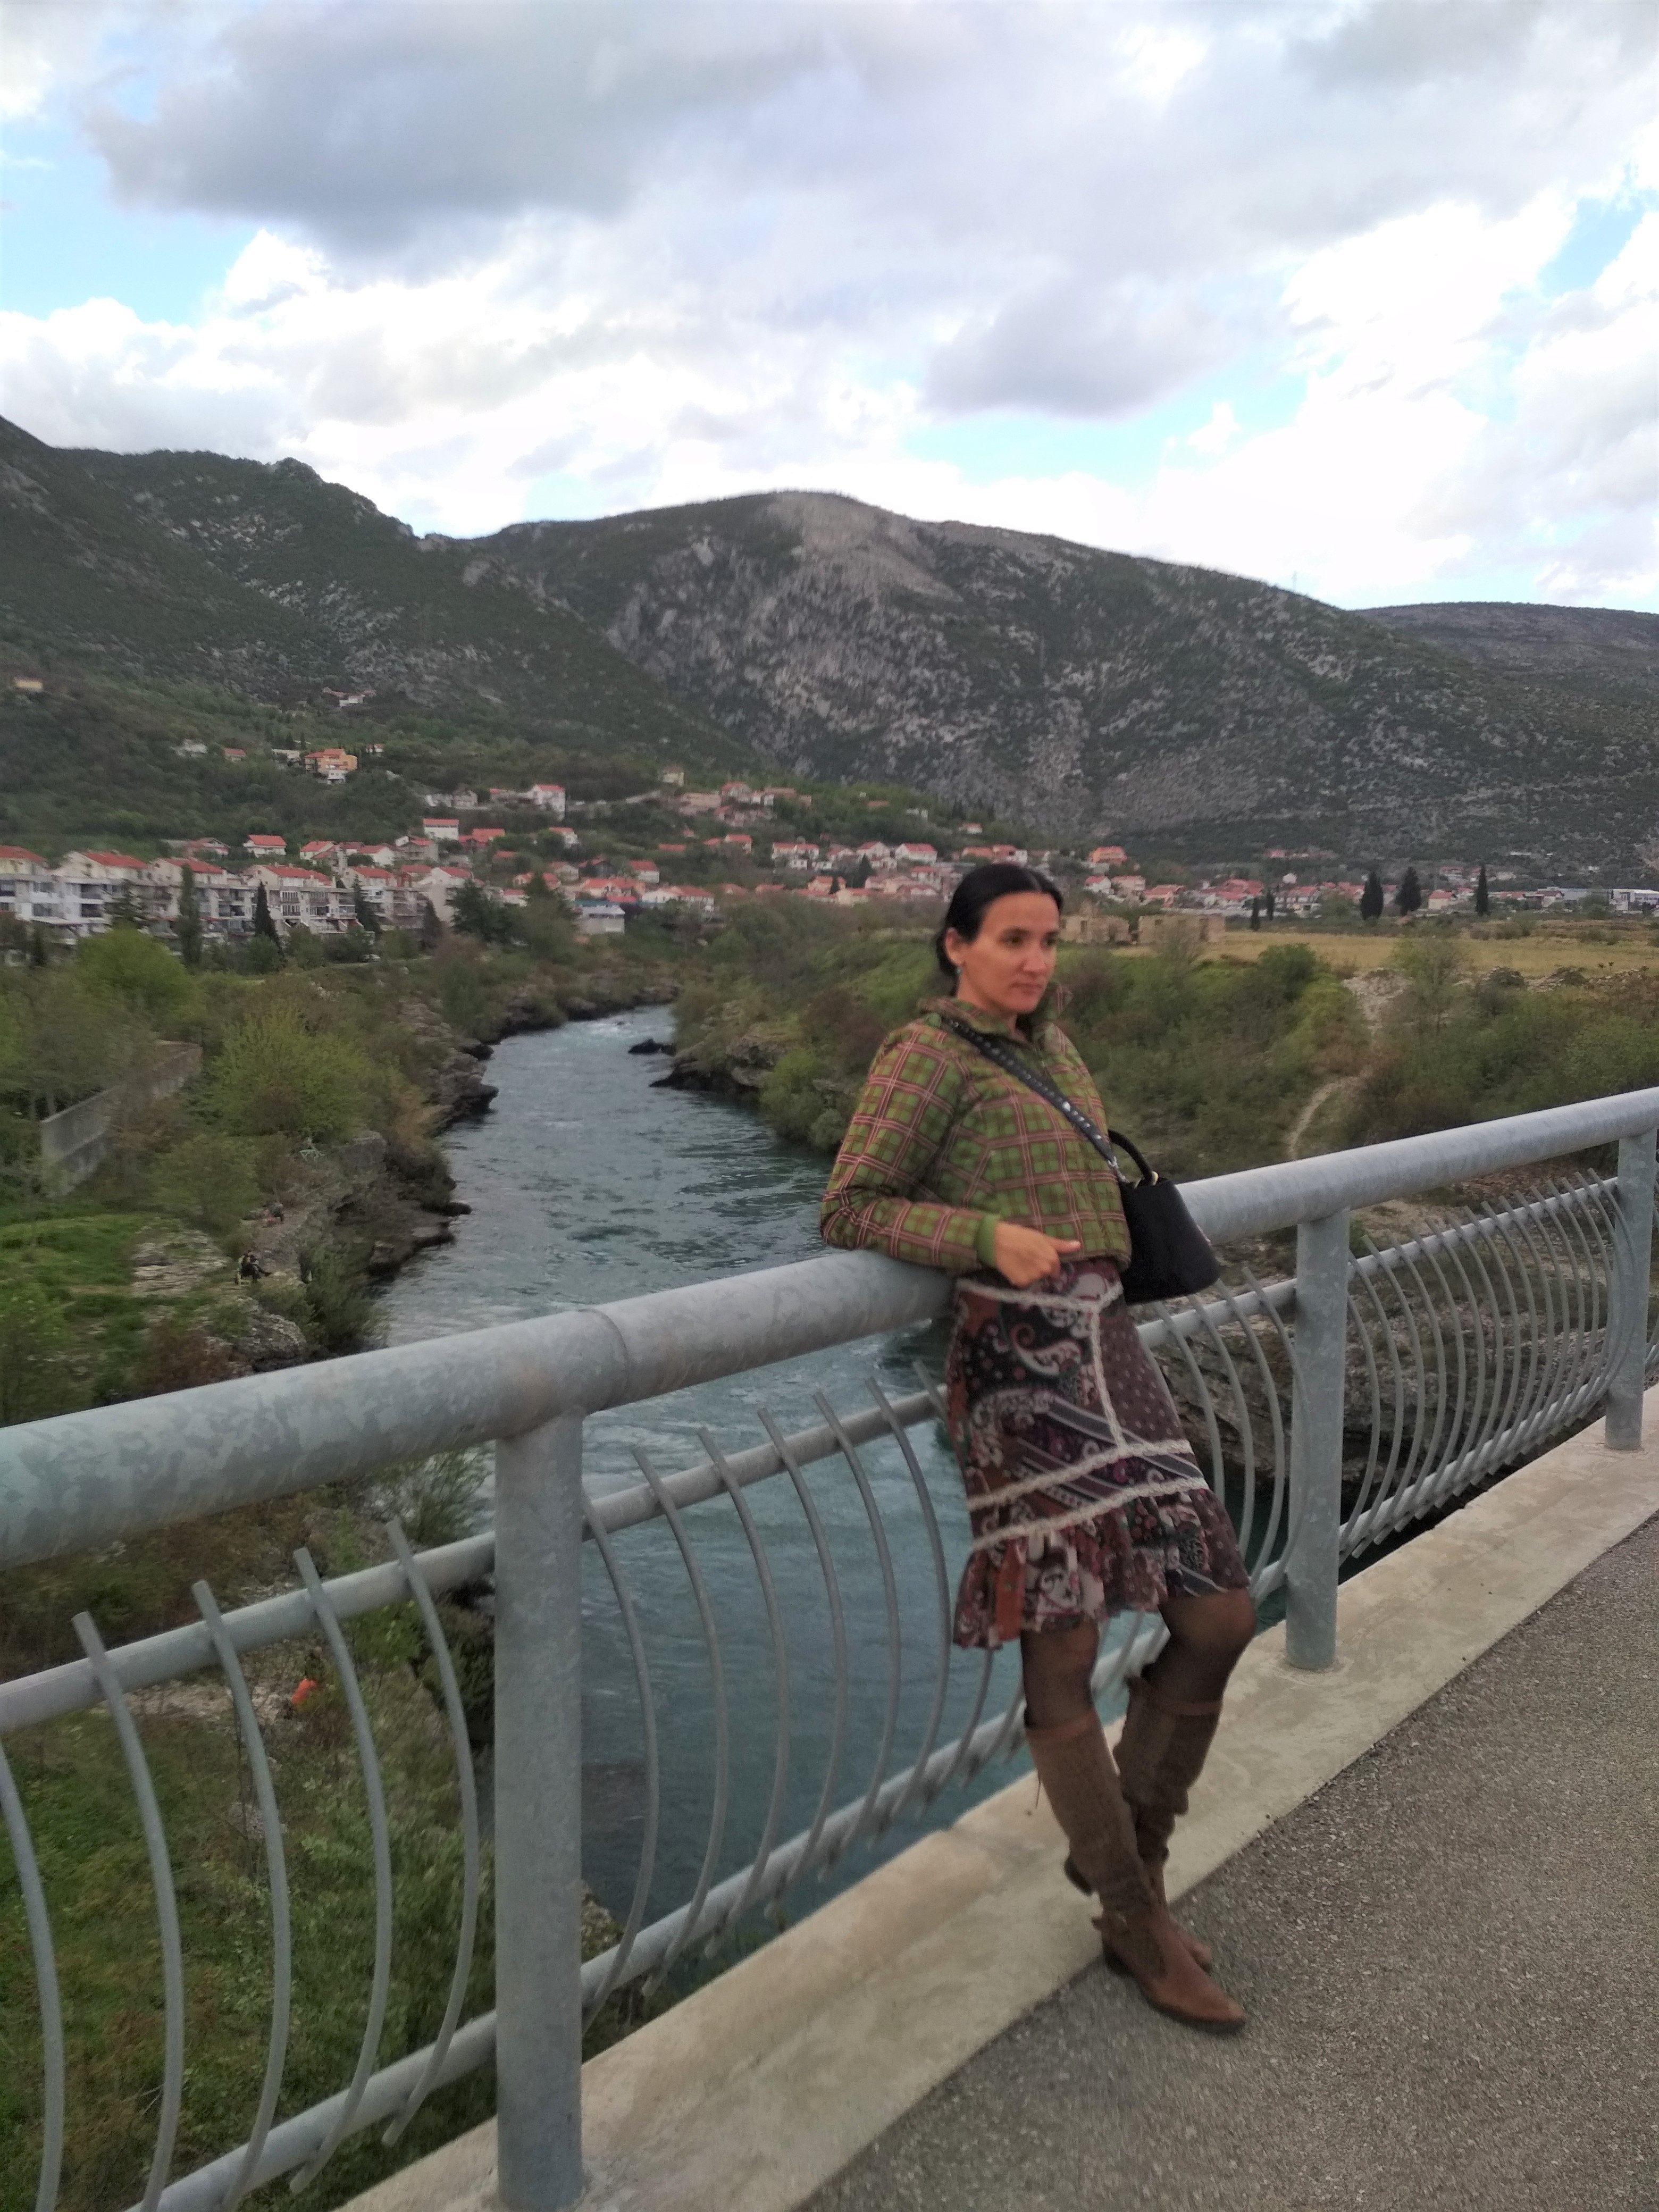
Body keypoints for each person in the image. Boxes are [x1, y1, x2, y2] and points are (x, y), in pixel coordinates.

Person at [820, 862, 1255, 2031]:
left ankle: (1129, 1865)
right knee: (1062, 1637)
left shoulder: (1053, 1047)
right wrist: (982, 1234)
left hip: (1109, 1350)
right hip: (1018, 1372)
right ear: (954, 944)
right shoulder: (925, 1056)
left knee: (1219, 1614)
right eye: (1012, 939)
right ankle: (1134, 1912)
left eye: (1049, 940)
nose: (1034, 960)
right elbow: (851, 1204)